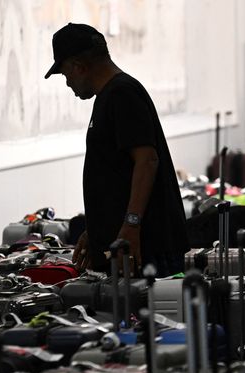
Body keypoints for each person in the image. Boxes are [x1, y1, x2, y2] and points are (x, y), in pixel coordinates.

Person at [44, 23, 188, 277]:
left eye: (66, 74)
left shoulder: (122, 94)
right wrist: (98, 231)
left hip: (145, 248)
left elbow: (147, 160)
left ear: (79, 66)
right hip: (128, 243)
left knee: (147, 317)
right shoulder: (109, 97)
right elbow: (116, 174)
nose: (68, 83)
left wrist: (131, 225)